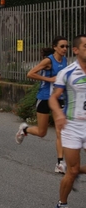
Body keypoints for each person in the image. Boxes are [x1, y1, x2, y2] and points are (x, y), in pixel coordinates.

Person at [15, 36, 68, 174]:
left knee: (60, 131)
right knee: (42, 132)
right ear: (55, 47)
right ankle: (25, 130)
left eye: (66, 47)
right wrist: (48, 79)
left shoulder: (65, 60)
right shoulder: (48, 61)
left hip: (58, 99)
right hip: (44, 98)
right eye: (62, 46)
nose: (65, 49)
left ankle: (60, 163)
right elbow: (30, 73)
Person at [49, 34, 86, 208]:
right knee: (71, 171)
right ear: (76, 50)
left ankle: (76, 171)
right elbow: (53, 98)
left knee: (74, 170)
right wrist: (60, 115)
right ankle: (61, 205)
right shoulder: (68, 72)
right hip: (72, 126)